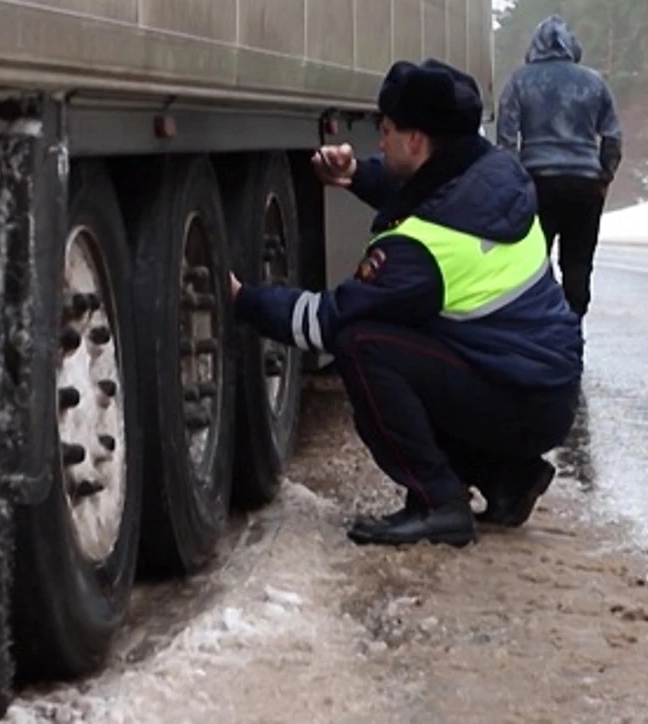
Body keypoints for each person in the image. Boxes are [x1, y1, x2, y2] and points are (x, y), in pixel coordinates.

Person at [229, 59, 584, 546]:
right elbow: (425, 191)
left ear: (416, 141)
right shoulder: (495, 173)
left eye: (388, 130)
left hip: (521, 399)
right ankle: (507, 478)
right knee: (424, 350)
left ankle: (439, 502)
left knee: (362, 345)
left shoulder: (424, 248)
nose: (380, 140)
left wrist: (243, 299)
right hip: (542, 391)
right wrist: (357, 176)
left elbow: (326, 321)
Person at [495, 15, 623, 317]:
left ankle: (541, 327)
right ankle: (573, 325)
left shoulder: (519, 80)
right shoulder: (594, 81)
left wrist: (516, 181)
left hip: (537, 183)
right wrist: (604, 175)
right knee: (578, 261)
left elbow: (506, 138)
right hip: (585, 183)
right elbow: (612, 136)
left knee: (534, 261)